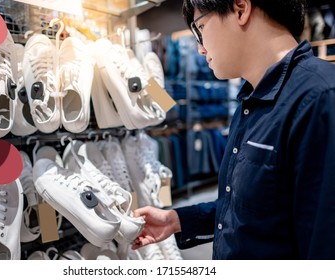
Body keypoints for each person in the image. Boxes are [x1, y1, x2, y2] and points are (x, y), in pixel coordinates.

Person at [132, 0, 335, 259]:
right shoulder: (251, 101)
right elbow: (254, 210)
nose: (200, 48)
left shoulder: (320, 99)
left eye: (200, 26)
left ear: (240, 9)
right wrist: (178, 220)